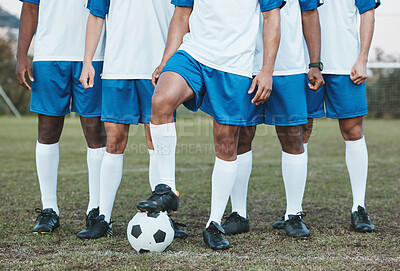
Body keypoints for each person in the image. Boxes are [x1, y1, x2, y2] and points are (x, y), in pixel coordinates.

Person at [136, 0, 282, 250]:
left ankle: (213, 223)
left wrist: (267, 69)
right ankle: (166, 188)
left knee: (226, 145)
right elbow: (182, 14)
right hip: (193, 53)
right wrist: (166, 60)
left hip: (234, 65)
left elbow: (271, 18)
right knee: (161, 100)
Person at [76, 0, 187, 239]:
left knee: (156, 143)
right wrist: (88, 62)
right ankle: (103, 218)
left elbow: (184, 14)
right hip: (118, 67)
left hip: (159, 68)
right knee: (114, 143)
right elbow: (96, 16)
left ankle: (164, 216)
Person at [221, 0, 325, 238]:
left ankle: (294, 213)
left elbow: (309, 14)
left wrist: (315, 64)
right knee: (241, 137)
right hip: (244, 63)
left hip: (289, 65)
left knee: (292, 137)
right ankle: (239, 214)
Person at [16, 0, 106, 234]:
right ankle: (49, 209)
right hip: (49, 54)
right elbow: (30, 6)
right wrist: (21, 55)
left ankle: (96, 210)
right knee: (47, 130)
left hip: (93, 53)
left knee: (95, 130)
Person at [295, 0, 381, 233]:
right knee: (300, 132)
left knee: (353, 131)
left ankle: (359, 207)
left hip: (345, 64)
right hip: (305, 63)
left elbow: (368, 13)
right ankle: (293, 211)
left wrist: (362, 58)